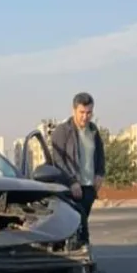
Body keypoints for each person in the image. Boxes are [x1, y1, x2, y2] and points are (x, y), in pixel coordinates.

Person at [49, 92, 106, 241]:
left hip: (88, 188)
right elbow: (58, 161)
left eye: (89, 113)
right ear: (73, 110)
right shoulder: (62, 131)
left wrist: (100, 174)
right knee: (78, 226)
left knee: (82, 223)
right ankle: (81, 254)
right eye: (81, 112)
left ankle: (81, 252)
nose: (85, 117)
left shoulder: (93, 130)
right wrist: (72, 181)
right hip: (70, 189)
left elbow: (100, 155)